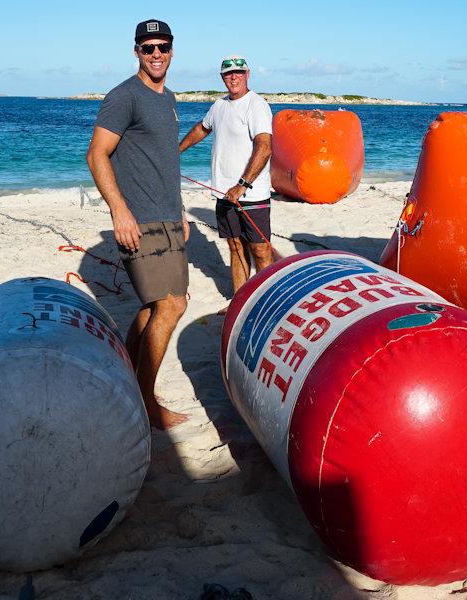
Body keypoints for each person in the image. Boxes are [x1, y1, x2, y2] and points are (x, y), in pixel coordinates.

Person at [86, 19, 189, 430]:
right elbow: (97, 155)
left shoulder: (169, 99)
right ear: (136, 52)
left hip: (167, 217)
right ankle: (146, 403)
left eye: (162, 46)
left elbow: (164, 161)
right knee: (172, 304)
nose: (156, 54)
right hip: (140, 221)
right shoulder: (123, 96)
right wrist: (119, 211)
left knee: (153, 306)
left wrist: (179, 209)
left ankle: (128, 380)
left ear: (172, 49)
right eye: (148, 48)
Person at [179, 55, 274, 312]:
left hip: (251, 194)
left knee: (260, 249)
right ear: (222, 78)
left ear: (248, 74)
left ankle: (265, 304)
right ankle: (240, 301)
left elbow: (264, 147)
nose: (233, 77)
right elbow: (202, 128)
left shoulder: (256, 105)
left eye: (238, 73)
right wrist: (176, 150)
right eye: (228, 74)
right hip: (223, 193)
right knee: (234, 246)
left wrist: (243, 184)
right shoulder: (219, 105)